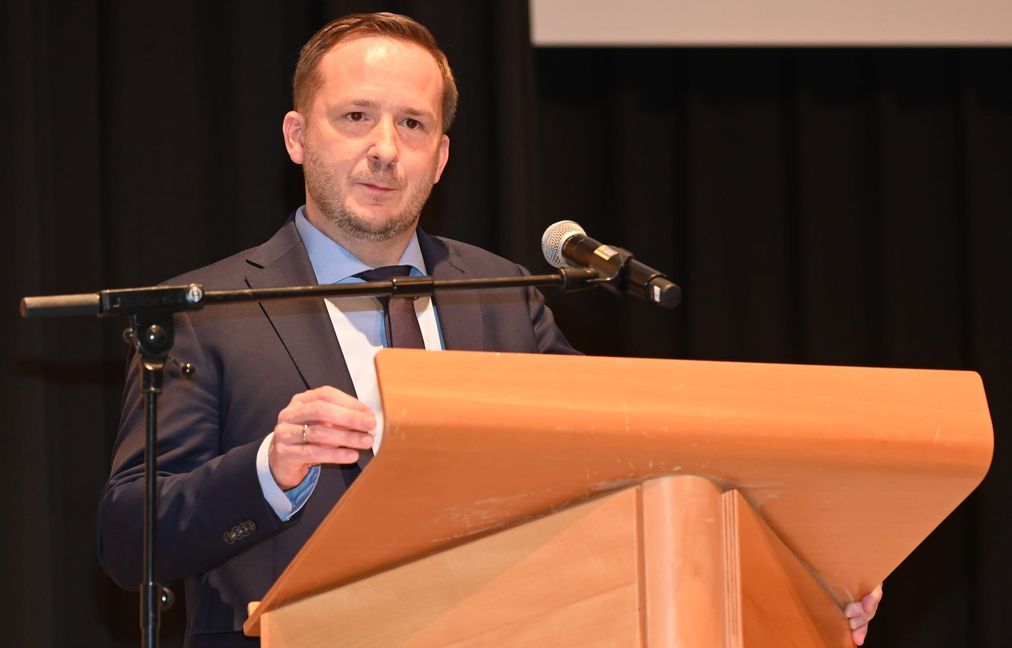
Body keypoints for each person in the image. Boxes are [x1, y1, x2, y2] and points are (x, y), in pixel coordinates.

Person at [97, 12, 880, 647]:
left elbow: (630, 469)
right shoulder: (204, 312)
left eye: (412, 125)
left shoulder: (503, 298)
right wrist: (270, 468)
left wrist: (792, 574)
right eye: (356, 117)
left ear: (441, 158)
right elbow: (128, 539)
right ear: (299, 137)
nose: (383, 149)